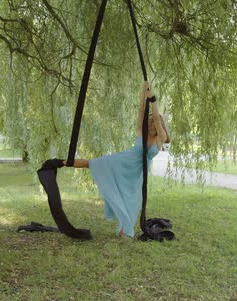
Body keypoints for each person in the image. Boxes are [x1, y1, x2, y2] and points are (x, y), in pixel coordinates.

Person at [64, 81, 169, 237]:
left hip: (139, 172)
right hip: (124, 161)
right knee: (97, 163)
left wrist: (153, 101)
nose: (153, 124)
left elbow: (157, 120)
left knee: (133, 199)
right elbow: (141, 111)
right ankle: (64, 162)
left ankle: (124, 229)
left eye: (155, 122)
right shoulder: (141, 131)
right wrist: (143, 93)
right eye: (151, 122)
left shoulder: (161, 138)